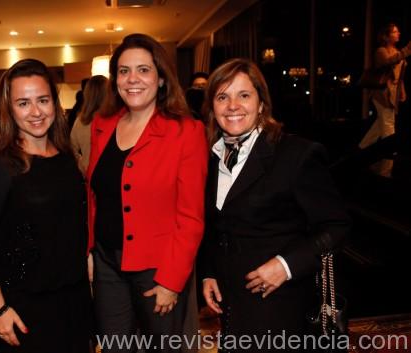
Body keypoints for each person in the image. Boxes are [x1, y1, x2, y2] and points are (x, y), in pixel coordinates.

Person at [201, 58, 350, 353]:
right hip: (231, 304)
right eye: (222, 96)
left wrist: (286, 265)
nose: (233, 105)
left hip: (281, 304)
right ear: (212, 107)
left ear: (261, 104)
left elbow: (337, 226)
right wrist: (208, 271)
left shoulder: (296, 154)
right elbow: (214, 224)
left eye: (244, 95)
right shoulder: (211, 157)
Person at [87, 33, 208, 352]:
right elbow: (94, 197)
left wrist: (171, 280)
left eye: (143, 69)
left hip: (158, 268)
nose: (132, 79)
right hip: (106, 263)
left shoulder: (186, 132)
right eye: (124, 71)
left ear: (161, 78)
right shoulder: (102, 125)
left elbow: (191, 217)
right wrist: (89, 251)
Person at [0, 58, 91, 353]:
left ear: (54, 102)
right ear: (8, 110)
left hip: (73, 298)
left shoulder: (65, 158)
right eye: (23, 103)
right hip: (24, 305)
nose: (36, 112)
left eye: (43, 100)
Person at [359, 23, 411, 149]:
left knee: (379, 126)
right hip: (382, 93)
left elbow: (400, 77)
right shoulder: (381, 51)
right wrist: (406, 51)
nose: (398, 34)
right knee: (388, 125)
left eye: (397, 31)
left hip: (393, 94)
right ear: (386, 37)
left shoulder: (398, 52)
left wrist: (402, 91)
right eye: (394, 32)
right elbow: (388, 61)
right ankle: (387, 163)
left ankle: (361, 149)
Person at [71, 75, 108, 175]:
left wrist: (83, 164)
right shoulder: (113, 120)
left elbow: (71, 149)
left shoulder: (81, 120)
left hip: (89, 174)